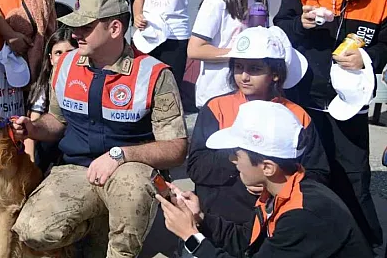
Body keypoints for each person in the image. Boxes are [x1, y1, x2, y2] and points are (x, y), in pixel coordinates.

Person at [10, 0, 188, 258]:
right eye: (75, 26)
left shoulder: (154, 74)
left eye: (86, 27)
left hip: (130, 169)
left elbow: (176, 148)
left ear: (115, 28)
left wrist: (120, 155)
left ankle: (120, 246)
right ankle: (98, 224)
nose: (75, 34)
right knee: (32, 230)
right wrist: (32, 128)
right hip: (76, 169)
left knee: (131, 193)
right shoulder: (66, 65)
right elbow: (57, 122)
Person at [274, 0, 387, 251]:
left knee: (354, 179)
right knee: (303, 175)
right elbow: (281, 27)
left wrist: (368, 58)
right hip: (302, 98)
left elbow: (384, 43)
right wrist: (300, 25)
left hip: (348, 104)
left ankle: (365, 245)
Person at [157, 100, 371, 257]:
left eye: (237, 154)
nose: (232, 160)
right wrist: (201, 218)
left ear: (267, 167)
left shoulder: (303, 215)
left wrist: (190, 235)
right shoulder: (281, 191)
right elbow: (245, 240)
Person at [187, 26, 328, 227]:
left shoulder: (297, 116)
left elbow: (318, 173)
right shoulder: (216, 108)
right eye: (238, 67)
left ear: (275, 74)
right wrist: (244, 163)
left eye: (255, 69)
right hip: (222, 219)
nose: (244, 76)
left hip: (278, 219)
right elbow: (197, 167)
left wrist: (275, 182)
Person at [24, 26, 78, 170]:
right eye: (58, 53)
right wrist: (30, 165)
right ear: (50, 58)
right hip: (51, 142)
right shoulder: (44, 85)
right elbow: (33, 124)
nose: (64, 57)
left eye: (69, 52)